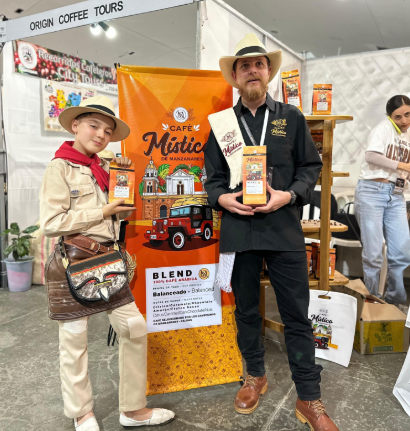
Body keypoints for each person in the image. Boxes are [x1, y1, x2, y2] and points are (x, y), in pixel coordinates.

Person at [204, 33, 339, 431]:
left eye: (259, 64)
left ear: (268, 73)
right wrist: (222, 199)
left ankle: (309, 397)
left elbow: (310, 167)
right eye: (244, 66)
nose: (252, 70)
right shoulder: (221, 125)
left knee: (296, 314)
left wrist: (289, 196)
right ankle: (255, 376)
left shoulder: (291, 117)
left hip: (283, 227)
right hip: (238, 229)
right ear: (235, 76)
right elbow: (212, 179)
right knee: (246, 310)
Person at [40, 96, 175, 430]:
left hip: (109, 260)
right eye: (94, 125)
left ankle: (132, 409)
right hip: (73, 262)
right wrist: (102, 211)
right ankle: (81, 413)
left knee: (134, 327)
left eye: (107, 130)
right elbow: (51, 223)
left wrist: (123, 194)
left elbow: (118, 217)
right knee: (74, 339)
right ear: (75, 125)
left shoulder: (106, 168)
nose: (101, 134)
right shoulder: (60, 167)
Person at [355, 95, 410, 310]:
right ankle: (373, 300)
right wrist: (402, 165)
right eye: (398, 117)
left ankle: (394, 299)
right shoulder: (383, 128)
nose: (404, 120)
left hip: (396, 195)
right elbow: (371, 156)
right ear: (390, 117)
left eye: (407, 114)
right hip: (372, 191)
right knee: (373, 254)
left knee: (402, 252)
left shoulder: (408, 135)